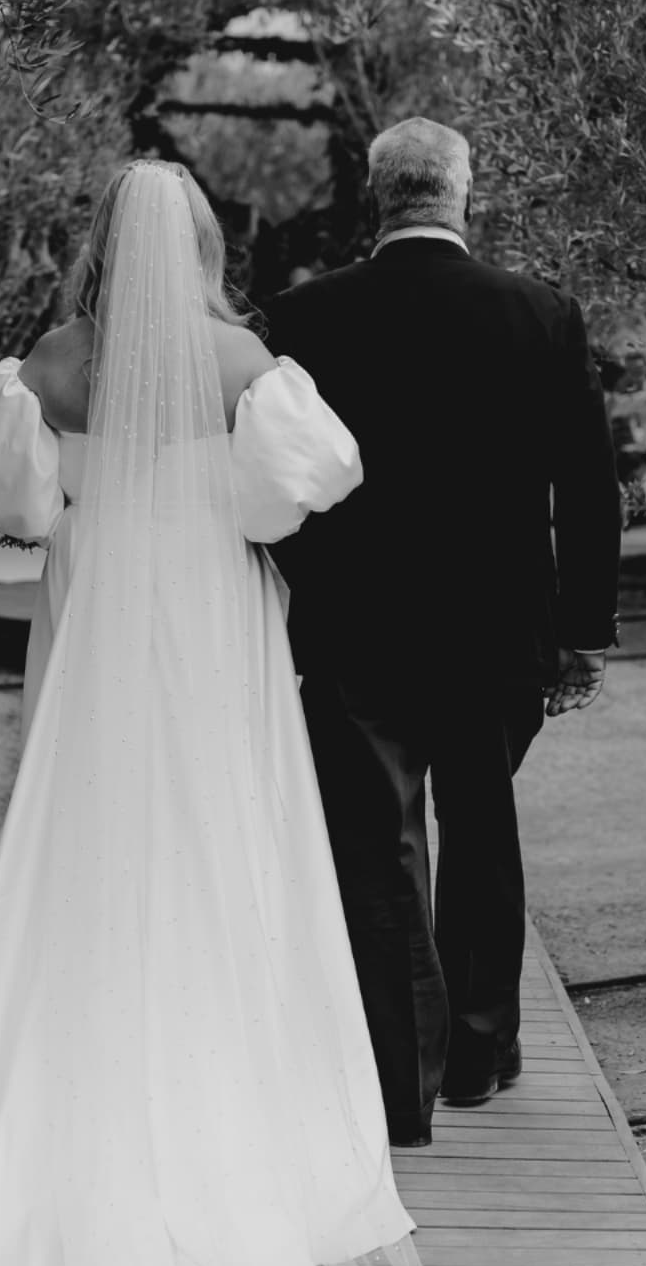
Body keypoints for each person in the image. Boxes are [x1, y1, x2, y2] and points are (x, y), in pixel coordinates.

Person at [0, 160, 559, 1266]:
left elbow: (11, 503)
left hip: (94, 628)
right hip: (210, 625)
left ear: (102, 246)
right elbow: (294, 494)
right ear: (196, 247)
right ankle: (226, 1113)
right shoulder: (246, 363)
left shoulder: (50, 364)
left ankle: (76, 1124)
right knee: (221, 849)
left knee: (93, 852)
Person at [264, 118, 621, 1148]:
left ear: (376, 197)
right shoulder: (540, 314)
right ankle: (478, 1048)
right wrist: (584, 627)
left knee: (380, 847)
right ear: (463, 195)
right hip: (499, 629)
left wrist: (296, 598)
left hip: (354, 630)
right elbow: (588, 489)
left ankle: (395, 1073)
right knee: (482, 821)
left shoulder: (303, 316)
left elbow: (279, 488)